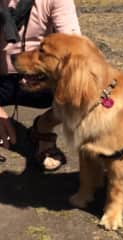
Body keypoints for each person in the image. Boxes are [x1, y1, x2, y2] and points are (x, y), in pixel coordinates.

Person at [0, 0, 81, 170]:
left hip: (40, 78)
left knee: (79, 86)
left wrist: (44, 73)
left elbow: (74, 48)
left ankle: (43, 128)